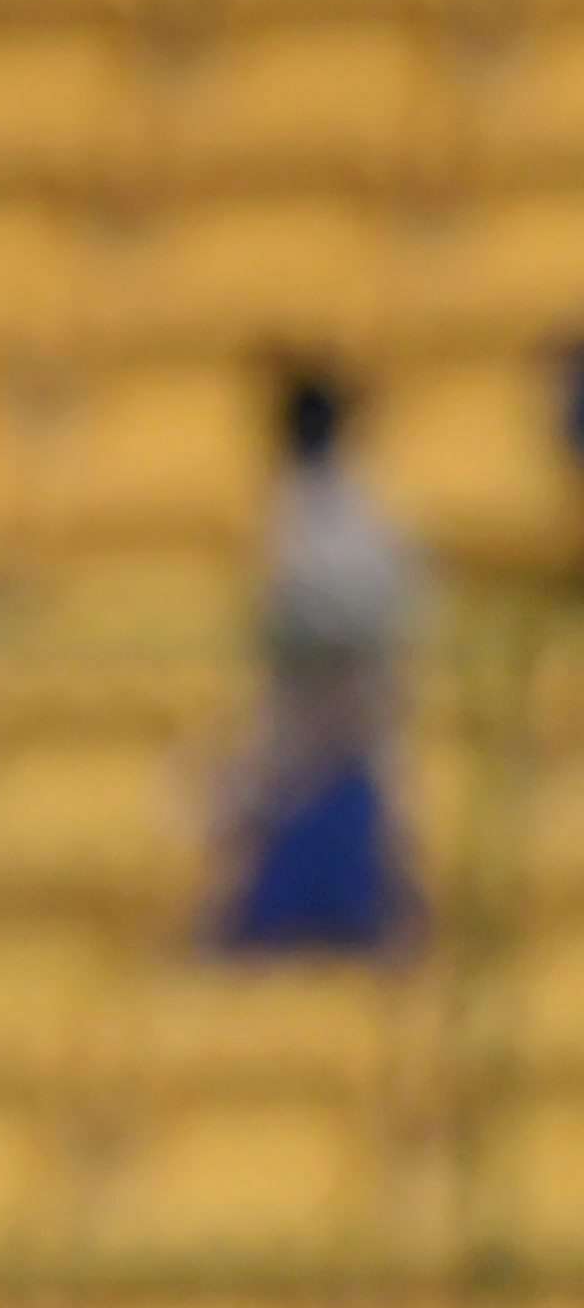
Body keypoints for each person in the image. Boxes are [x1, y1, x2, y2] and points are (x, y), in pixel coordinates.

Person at [215, 366, 417, 956]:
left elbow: (350, 639)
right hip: (313, 742)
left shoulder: (342, 517)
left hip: (331, 748)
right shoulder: (310, 510)